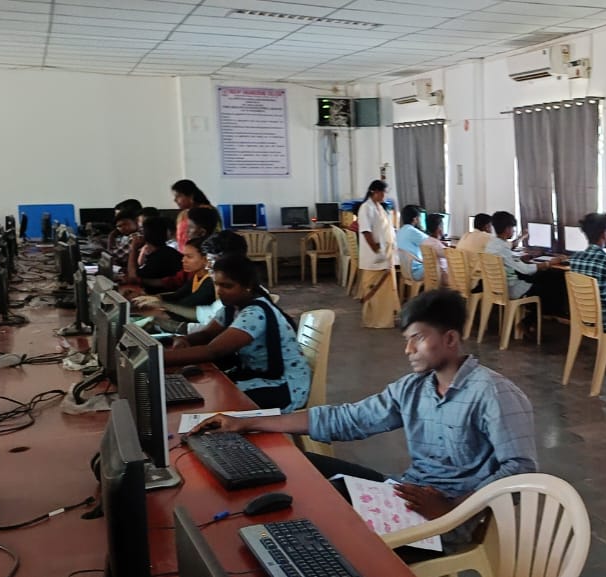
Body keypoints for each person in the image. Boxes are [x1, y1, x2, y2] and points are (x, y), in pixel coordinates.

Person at [189, 289, 538, 550]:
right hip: (406, 494)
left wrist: (452, 509)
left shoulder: (493, 393)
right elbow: (348, 419)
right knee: (295, 464)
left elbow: (520, 471)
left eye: (417, 339)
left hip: (448, 520)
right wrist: (246, 422)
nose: (408, 350)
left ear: (450, 339)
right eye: (407, 340)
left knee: (327, 531)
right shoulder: (415, 387)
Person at [166, 256, 309, 412]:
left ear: (247, 286)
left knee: (216, 401)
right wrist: (185, 340)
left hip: (284, 386)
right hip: (258, 375)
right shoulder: (232, 308)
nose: (219, 291)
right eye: (217, 284)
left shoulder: (255, 313)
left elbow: (213, 351)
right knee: (208, 389)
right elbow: (207, 334)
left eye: (227, 286)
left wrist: (159, 358)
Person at [483, 211, 566, 314]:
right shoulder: (502, 248)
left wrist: (521, 259)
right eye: (513, 228)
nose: (513, 231)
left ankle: (534, 316)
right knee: (549, 279)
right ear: (507, 229)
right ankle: (537, 317)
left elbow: (508, 258)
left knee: (542, 276)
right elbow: (525, 270)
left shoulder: (492, 244)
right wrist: (549, 263)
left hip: (497, 287)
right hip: (511, 289)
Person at [133, 238, 214, 321]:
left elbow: (185, 305)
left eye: (189, 257)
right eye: (184, 256)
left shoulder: (210, 282)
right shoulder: (196, 276)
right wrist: (152, 298)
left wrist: (159, 303)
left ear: (205, 260)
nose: (183, 260)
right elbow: (178, 295)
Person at [357, 179, 400, 328]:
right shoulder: (365, 208)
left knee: (386, 292)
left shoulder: (379, 207)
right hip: (374, 255)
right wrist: (376, 250)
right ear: (374, 192)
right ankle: (374, 319)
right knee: (374, 289)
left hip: (385, 254)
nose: (384, 196)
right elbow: (366, 231)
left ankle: (386, 318)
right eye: (383, 193)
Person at [127, 216, 182, 292]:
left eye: (141, 231)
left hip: (161, 296)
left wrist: (133, 248)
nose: (138, 234)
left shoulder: (161, 256)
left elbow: (133, 277)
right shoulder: (163, 251)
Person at [170, 179, 214, 248]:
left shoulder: (207, 211)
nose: (175, 200)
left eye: (178, 196)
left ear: (191, 196)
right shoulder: (183, 213)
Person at [396, 204, 431, 281]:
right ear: (415, 219)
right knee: (442, 265)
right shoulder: (412, 231)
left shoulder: (400, 231)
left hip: (406, 271)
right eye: (420, 217)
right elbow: (431, 243)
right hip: (416, 272)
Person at [421, 213, 449, 287]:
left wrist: (441, 243)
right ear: (439, 228)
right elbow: (450, 256)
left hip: (431, 276)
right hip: (443, 277)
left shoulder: (425, 241)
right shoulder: (437, 245)